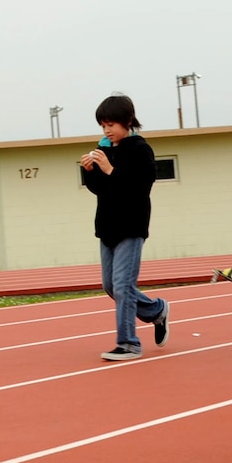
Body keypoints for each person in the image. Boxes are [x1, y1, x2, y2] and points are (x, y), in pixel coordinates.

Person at [81, 94, 168, 361]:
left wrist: (109, 170)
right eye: (103, 125)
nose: (107, 130)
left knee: (123, 285)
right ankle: (156, 311)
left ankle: (129, 343)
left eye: (111, 124)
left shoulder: (141, 150)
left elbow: (139, 189)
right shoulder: (105, 149)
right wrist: (90, 171)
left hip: (131, 227)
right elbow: (100, 190)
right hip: (107, 226)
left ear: (127, 121)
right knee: (111, 286)